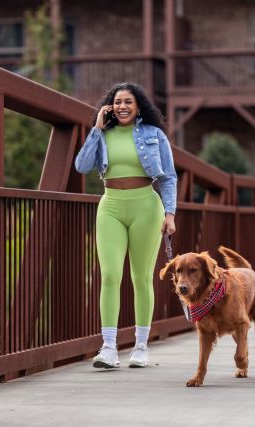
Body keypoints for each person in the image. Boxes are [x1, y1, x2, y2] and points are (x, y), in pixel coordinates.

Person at [75, 82, 177, 368]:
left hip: (146, 205)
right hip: (110, 206)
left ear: (138, 106)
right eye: (117, 102)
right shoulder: (103, 135)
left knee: (141, 277)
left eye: (128, 102)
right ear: (110, 106)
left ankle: (141, 347)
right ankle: (108, 347)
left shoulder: (153, 134)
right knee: (109, 275)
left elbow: (168, 176)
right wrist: (96, 128)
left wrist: (169, 213)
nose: (122, 106)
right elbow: (82, 166)